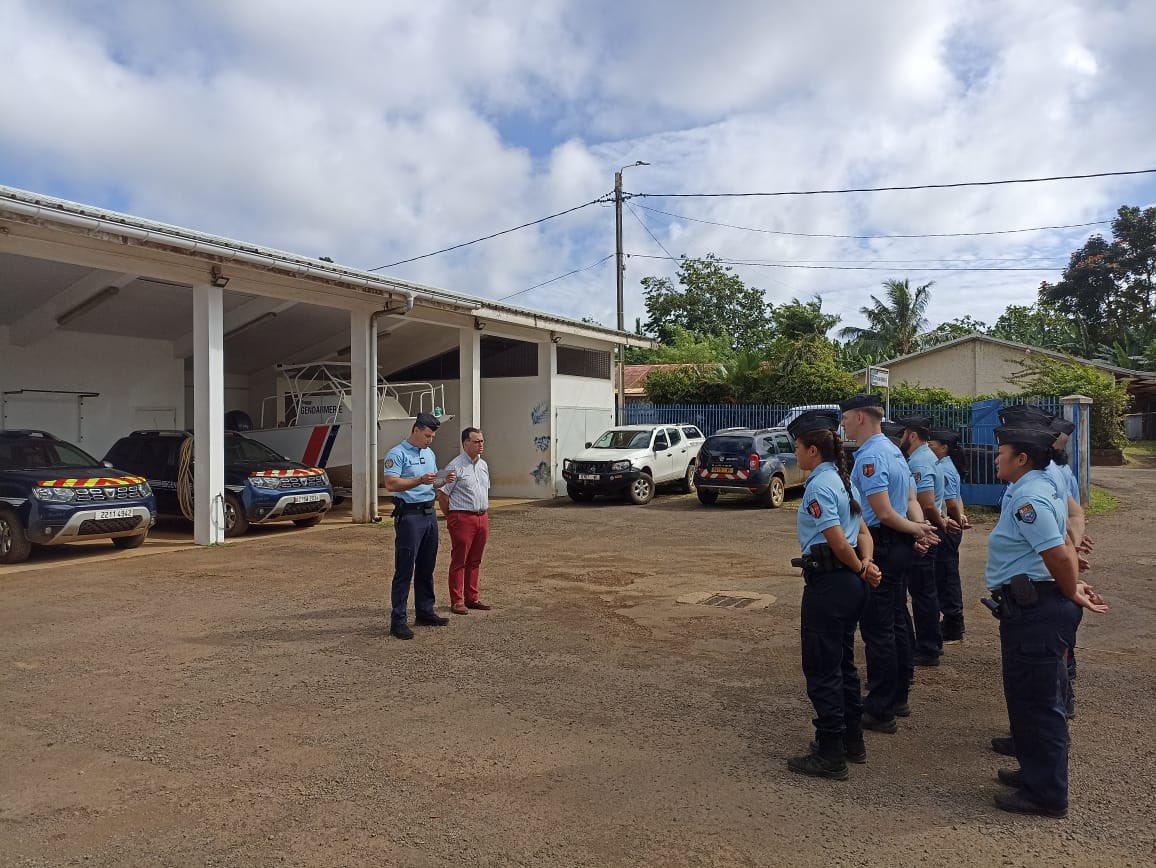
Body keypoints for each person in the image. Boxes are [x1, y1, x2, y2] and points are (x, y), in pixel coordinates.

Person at [983, 422, 1106, 818]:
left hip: (1037, 610)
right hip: (1031, 605)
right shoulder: (1032, 489)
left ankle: (1046, 795)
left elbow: (1055, 552)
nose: (996, 457)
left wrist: (1071, 588)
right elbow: (1064, 545)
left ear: (1022, 459)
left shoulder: (1030, 497)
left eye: (1002, 452)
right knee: (1028, 698)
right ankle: (1035, 774)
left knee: (1038, 703)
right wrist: (1073, 581)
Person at [785, 410, 882, 780]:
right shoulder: (844, 482)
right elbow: (864, 534)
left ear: (812, 450)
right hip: (849, 583)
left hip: (831, 584)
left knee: (822, 667)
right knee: (842, 664)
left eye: (797, 447)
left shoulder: (821, 486)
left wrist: (860, 566)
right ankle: (851, 741)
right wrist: (867, 565)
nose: (795, 453)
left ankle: (830, 754)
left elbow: (838, 540)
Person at [840, 395, 938, 733]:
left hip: (882, 543)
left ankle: (881, 708)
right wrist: (917, 532)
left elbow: (882, 512)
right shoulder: (895, 452)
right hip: (897, 543)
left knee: (878, 628)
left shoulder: (871, 456)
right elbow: (910, 500)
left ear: (861, 418)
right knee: (897, 618)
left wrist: (917, 530)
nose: (844, 425)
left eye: (846, 418)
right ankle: (899, 693)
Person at [382, 413, 456, 640]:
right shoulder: (397, 453)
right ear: (416, 430)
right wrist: (418, 480)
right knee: (405, 568)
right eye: (427, 435)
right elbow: (391, 483)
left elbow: (431, 480)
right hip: (410, 516)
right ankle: (398, 620)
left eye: (432, 436)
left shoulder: (429, 453)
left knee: (427, 565)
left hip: (428, 513)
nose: (430, 440)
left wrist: (444, 479)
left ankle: (425, 611)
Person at [897, 415, 949, 667]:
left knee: (922, 593)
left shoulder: (919, 462)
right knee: (924, 591)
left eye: (903, 433)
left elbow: (926, 502)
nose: (900, 438)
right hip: (926, 531)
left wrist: (930, 529)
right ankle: (929, 643)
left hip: (923, 534)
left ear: (913, 435)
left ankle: (928, 647)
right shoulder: (927, 458)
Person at [437, 427, 493, 615]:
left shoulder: (483, 465)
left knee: (475, 560)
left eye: (482, 441)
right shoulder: (454, 466)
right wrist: (451, 516)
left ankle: (472, 597)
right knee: (459, 560)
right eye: (476, 441)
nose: (481, 445)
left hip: (481, 517)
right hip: (462, 517)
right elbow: (442, 494)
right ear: (465, 443)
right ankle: (457, 600)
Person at [929, 429, 970, 642]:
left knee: (945, 576)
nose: (929, 448)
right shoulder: (947, 466)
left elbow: (951, 502)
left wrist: (955, 519)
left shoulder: (943, 468)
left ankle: (953, 621)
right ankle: (953, 619)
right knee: (946, 574)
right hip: (950, 526)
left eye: (932, 444)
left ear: (944, 447)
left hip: (946, 528)